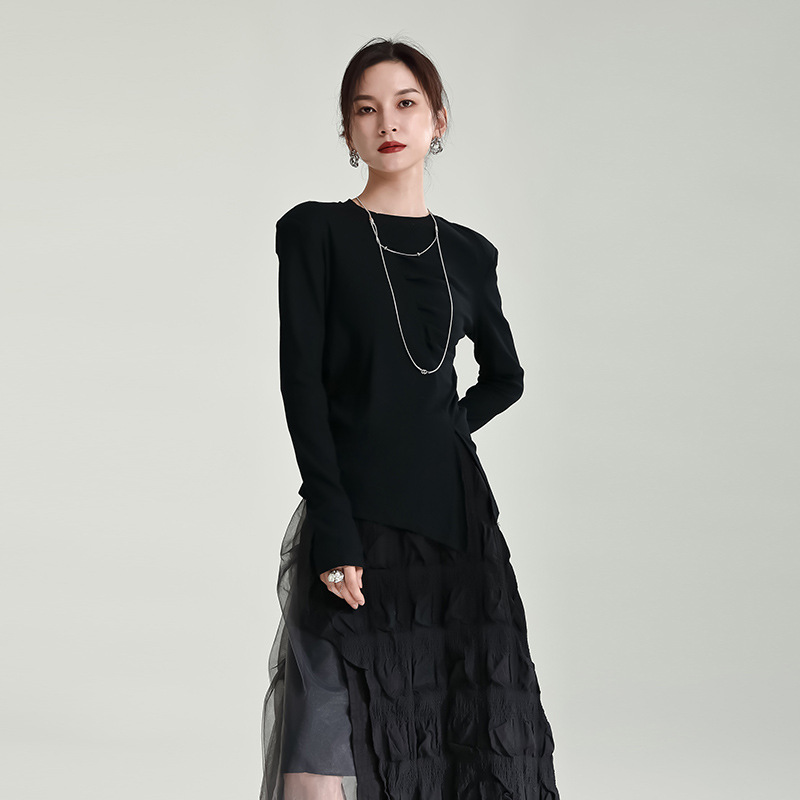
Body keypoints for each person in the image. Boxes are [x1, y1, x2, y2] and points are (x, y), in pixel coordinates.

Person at [259, 36, 560, 800]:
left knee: (451, 745)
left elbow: (507, 376)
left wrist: (443, 428)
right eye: (366, 109)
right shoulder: (315, 233)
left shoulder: (469, 253)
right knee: (321, 756)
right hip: (353, 519)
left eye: (405, 104)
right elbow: (302, 388)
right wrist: (334, 528)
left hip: (455, 533)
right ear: (348, 131)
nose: (387, 122)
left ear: (437, 120)